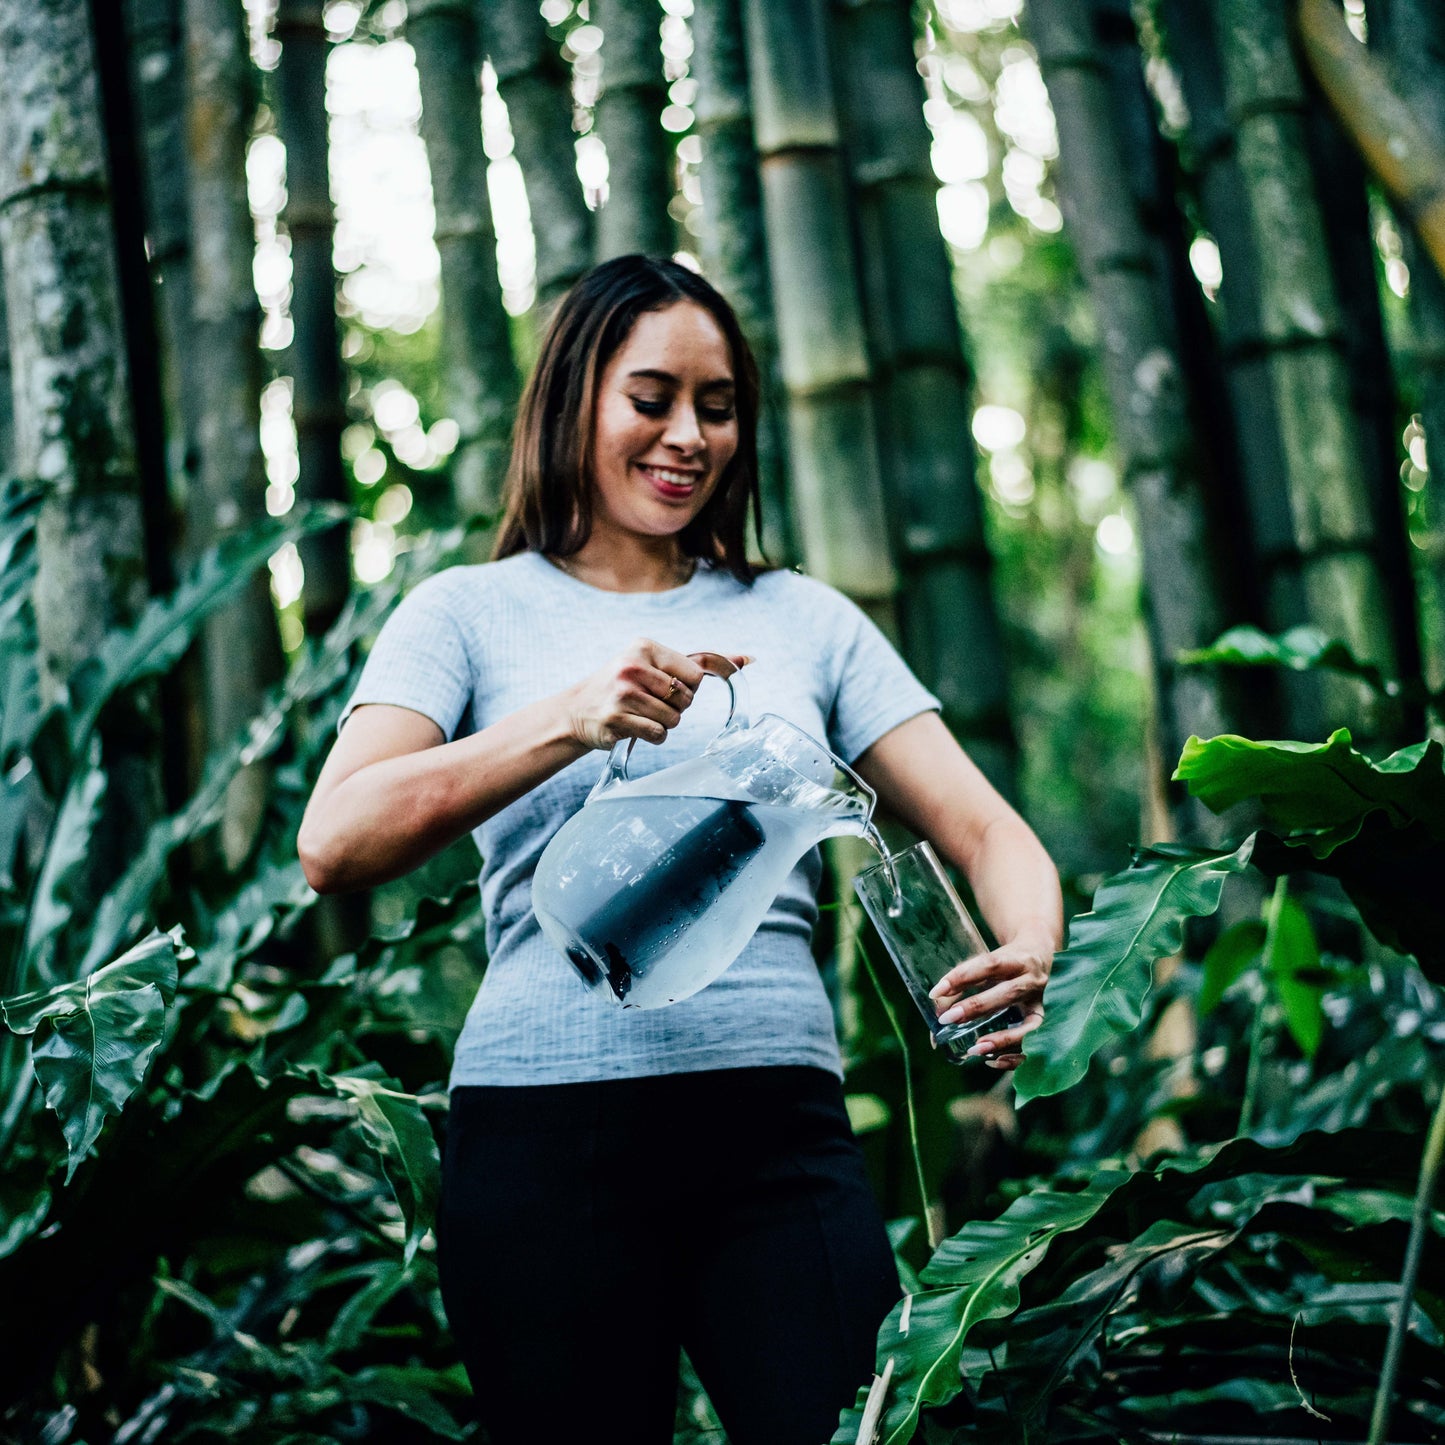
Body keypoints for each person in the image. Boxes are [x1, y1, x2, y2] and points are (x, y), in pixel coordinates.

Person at [297, 254, 1062, 1445]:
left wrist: (1029, 943)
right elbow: (334, 841)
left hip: (779, 1138)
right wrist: (565, 716)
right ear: (574, 398)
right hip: (543, 1142)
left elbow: (984, 827)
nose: (687, 436)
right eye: (650, 398)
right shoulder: (462, 613)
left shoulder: (805, 619)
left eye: (716, 405)